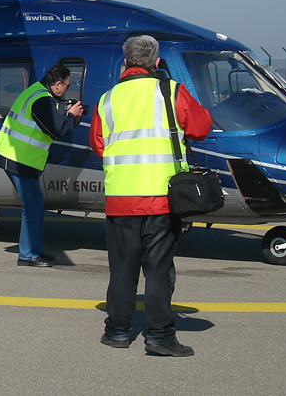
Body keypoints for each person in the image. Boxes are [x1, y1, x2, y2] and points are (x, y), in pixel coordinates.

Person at [88, 35, 211, 357]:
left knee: (122, 270)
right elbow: (201, 127)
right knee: (158, 270)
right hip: (160, 198)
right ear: (156, 63)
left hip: (120, 198)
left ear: (125, 62)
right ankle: (159, 337)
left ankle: (116, 332)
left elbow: (98, 144)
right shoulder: (171, 92)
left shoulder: (108, 99)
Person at [0, 63, 84, 267]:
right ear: (58, 84)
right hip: (18, 158)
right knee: (32, 206)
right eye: (67, 86)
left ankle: (35, 250)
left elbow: (48, 124)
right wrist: (72, 116)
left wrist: (66, 115)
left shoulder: (37, 93)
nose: (67, 90)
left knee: (35, 204)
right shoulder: (41, 99)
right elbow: (57, 129)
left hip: (20, 158)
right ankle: (27, 254)